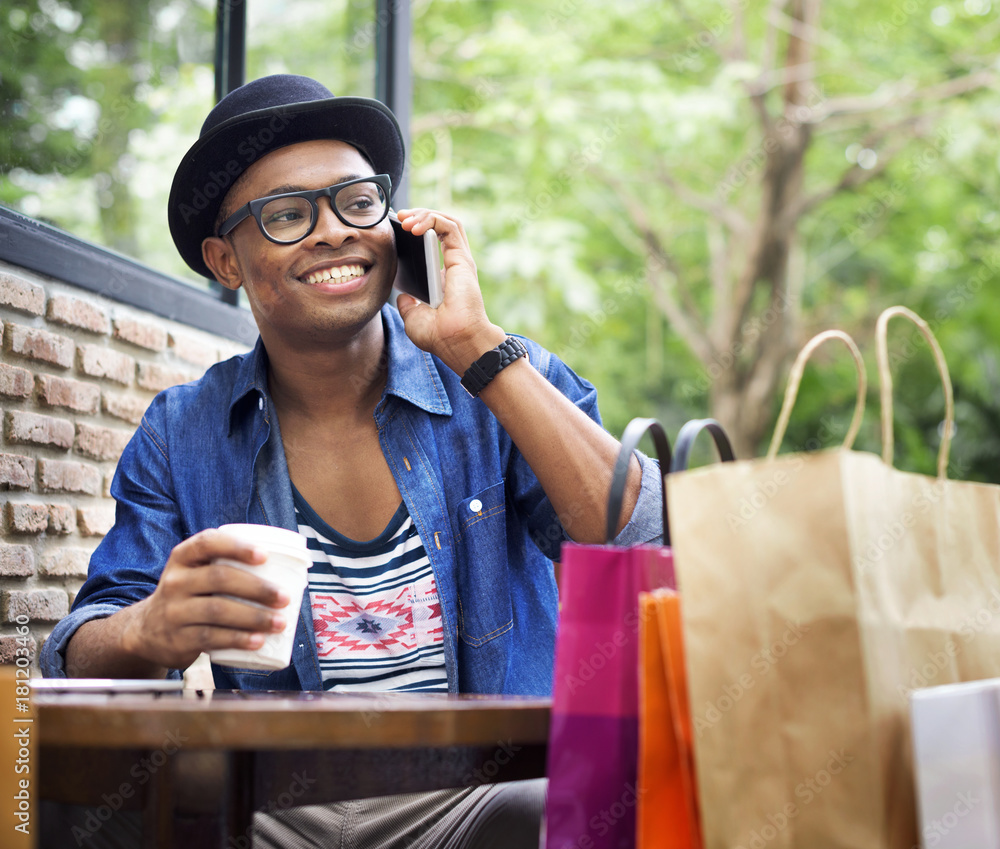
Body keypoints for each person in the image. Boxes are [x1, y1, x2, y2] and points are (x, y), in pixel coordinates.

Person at [40, 74, 663, 848]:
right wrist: (150, 630)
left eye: (358, 201)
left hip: (482, 798)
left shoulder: (498, 378)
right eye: (288, 215)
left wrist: (474, 347)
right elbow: (81, 651)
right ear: (224, 261)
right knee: (52, 798)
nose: (334, 231)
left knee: (601, 810)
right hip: (272, 804)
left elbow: (640, 539)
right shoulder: (181, 431)